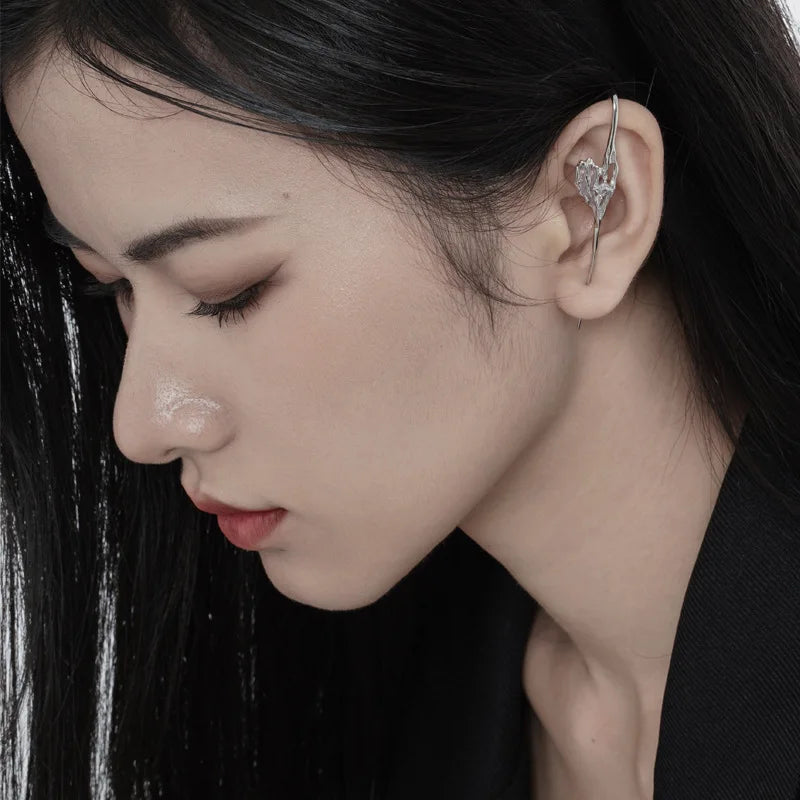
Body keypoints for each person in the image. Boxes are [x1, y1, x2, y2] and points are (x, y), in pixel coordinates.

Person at [1, 1, 798, 798]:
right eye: (111, 288)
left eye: (227, 291)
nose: (140, 425)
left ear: (594, 209)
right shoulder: (412, 705)